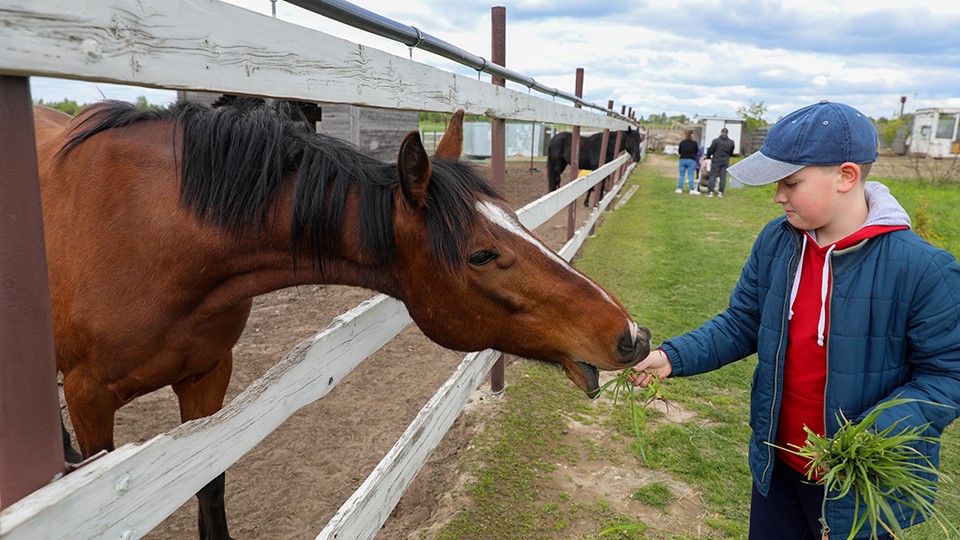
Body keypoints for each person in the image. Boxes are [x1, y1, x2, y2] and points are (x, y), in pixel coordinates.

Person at [624, 100, 960, 540]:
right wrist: (673, 356)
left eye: (791, 182)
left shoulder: (923, 268)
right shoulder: (777, 242)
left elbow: (946, 376)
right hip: (778, 464)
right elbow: (743, 322)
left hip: (860, 483)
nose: (779, 195)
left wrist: (866, 439)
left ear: (846, 176)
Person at [705, 127, 735, 197]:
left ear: (721, 132)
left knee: (713, 176)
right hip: (725, 161)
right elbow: (731, 152)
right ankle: (720, 192)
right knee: (723, 177)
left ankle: (710, 192)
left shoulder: (715, 141)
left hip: (716, 160)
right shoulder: (731, 142)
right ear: (727, 133)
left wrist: (708, 157)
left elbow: (711, 150)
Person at [676, 130, 700, 195]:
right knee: (691, 175)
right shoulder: (694, 143)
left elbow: (679, 151)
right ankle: (691, 189)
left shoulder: (682, 142)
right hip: (691, 160)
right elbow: (696, 151)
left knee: (681, 175)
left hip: (683, 159)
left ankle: (679, 188)